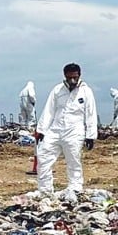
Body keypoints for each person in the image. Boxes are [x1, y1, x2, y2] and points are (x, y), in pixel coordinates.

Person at [35, 63, 98, 194]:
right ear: (65, 76)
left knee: (73, 160)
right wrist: (42, 130)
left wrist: (91, 136)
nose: (72, 81)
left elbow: (91, 114)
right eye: (69, 78)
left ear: (79, 75)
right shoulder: (58, 90)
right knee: (43, 156)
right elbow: (49, 110)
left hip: (75, 131)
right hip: (55, 130)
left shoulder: (86, 91)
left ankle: (75, 188)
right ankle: (45, 190)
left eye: (75, 77)